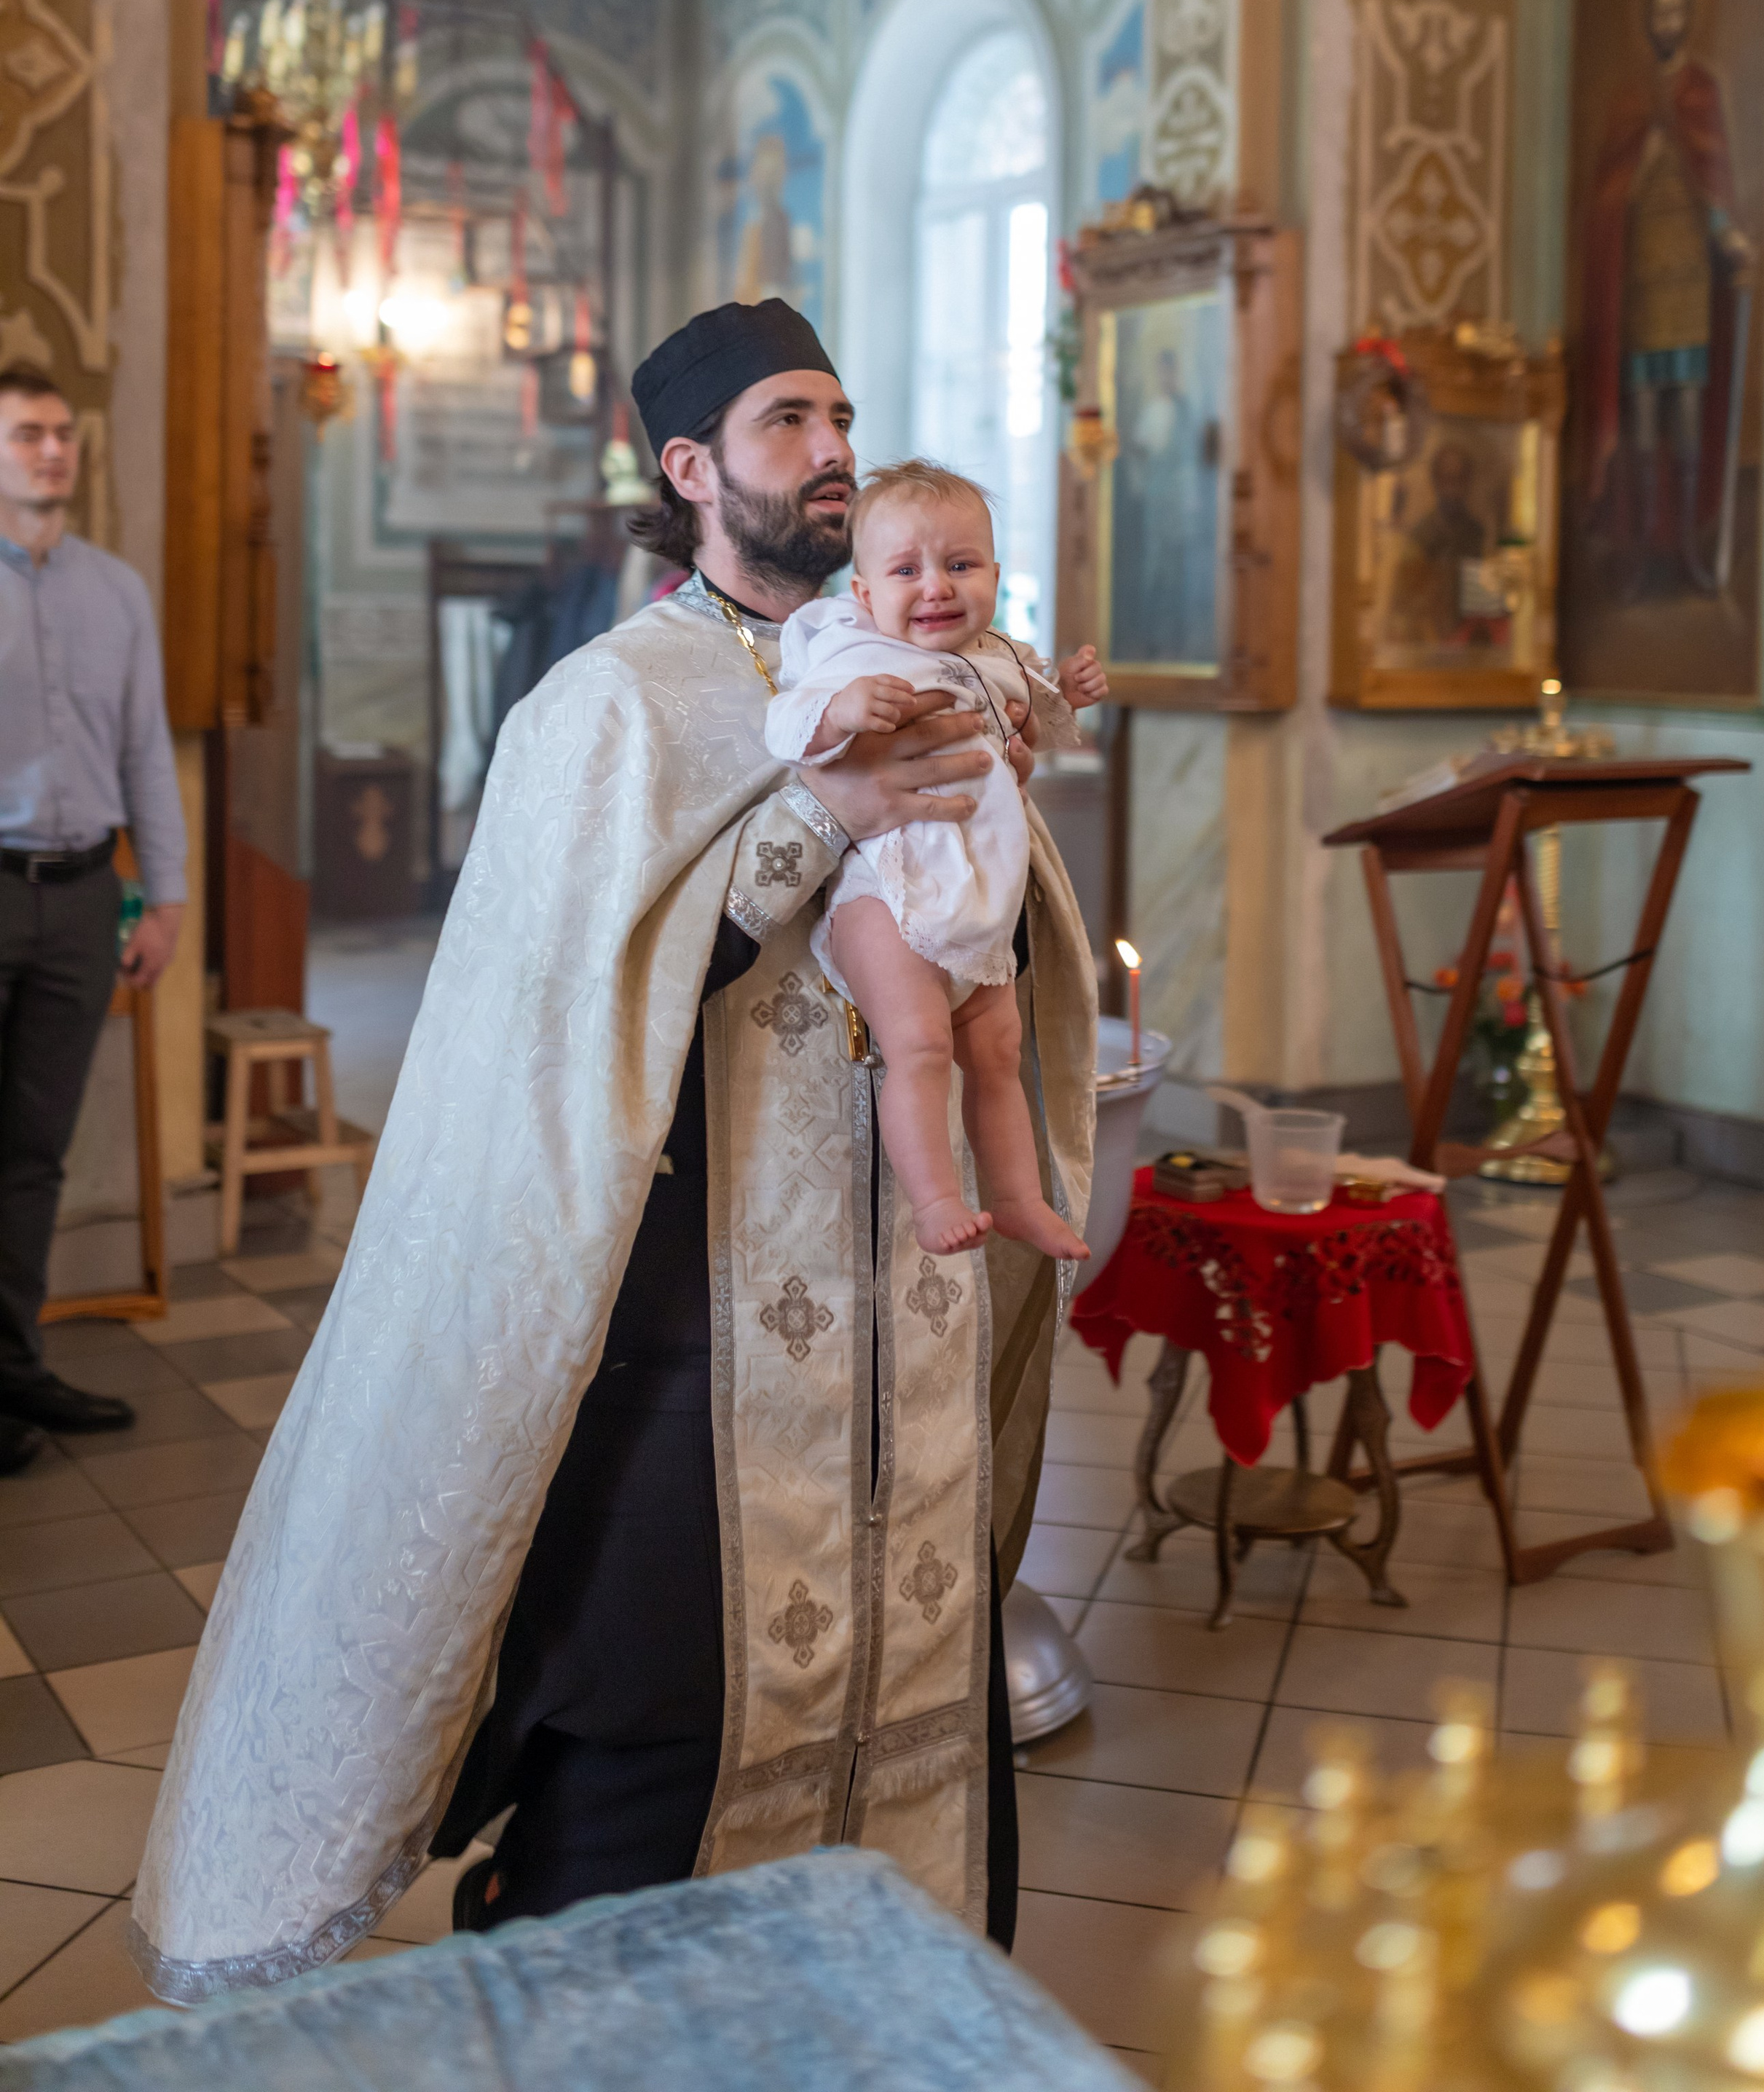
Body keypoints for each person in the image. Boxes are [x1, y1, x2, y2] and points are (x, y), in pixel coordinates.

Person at [130, 299, 1096, 2001]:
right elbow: (563, 1016)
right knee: (658, 1691)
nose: (832, 450)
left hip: (905, 1290)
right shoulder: (611, 706)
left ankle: (888, 2006)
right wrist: (819, 819)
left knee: (911, 1652)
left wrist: (986, 818)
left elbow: (995, 930)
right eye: (788, 420)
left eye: (841, 415)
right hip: (689, 1307)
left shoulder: (920, 662)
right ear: (690, 465)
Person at [765, 461, 1103, 1260]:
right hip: (879, 895)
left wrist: (1070, 695)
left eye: (960, 565)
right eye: (907, 570)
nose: (937, 588)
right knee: (919, 1045)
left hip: (975, 895)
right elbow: (786, 723)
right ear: (865, 594)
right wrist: (842, 710)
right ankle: (934, 1200)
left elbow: (1035, 720)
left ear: (993, 573)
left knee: (995, 1052)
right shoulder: (847, 651)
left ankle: (1017, 1200)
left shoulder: (994, 655)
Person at [0, 366, 188, 1475]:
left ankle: (15, 1367)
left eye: (63, 434)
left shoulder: (116, 590)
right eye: (27, 433)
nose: (52, 451)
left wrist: (163, 895)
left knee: (33, 1154)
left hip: (80, 898)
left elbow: (143, 753)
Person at [1577, 0, 1753, 597]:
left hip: (1689, 282)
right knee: (1643, 421)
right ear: (1648, 19)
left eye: (1679, 10)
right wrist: (1637, 170)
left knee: (1685, 417)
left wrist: (1728, 234)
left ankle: (1685, 552)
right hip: (1643, 284)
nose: (1669, 22)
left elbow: (1715, 180)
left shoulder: (1702, 90)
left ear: (1689, 18)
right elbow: (1605, 196)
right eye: (1661, 11)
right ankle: (1642, 554)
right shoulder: (1630, 96)